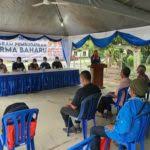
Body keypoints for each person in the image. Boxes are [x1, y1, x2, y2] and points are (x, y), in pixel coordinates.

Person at [90, 80, 150, 150]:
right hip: (139, 134)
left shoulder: (130, 105)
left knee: (94, 130)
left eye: (130, 88)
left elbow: (123, 129)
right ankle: (122, 145)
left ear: (133, 91)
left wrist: (113, 127)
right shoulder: (147, 104)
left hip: (127, 136)